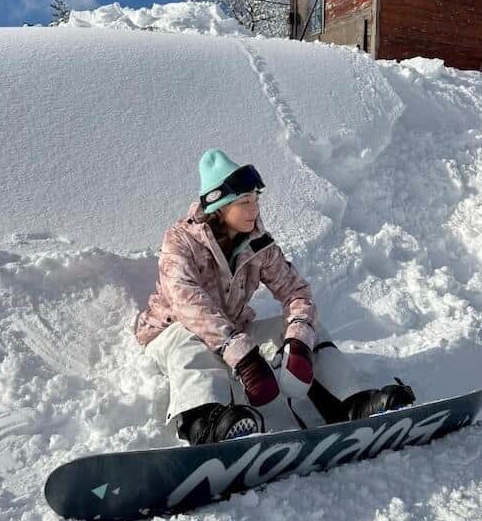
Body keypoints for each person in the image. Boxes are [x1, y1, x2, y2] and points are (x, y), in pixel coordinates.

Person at [134, 148, 415, 445]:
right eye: (244, 202)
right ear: (219, 207)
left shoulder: (258, 245)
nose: (253, 209)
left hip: (234, 334)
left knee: (307, 328)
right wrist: (241, 354)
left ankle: (352, 403)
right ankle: (205, 425)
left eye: (256, 199)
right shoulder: (180, 240)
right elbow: (187, 303)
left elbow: (296, 292)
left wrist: (298, 341)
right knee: (186, 338)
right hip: (170, 332)